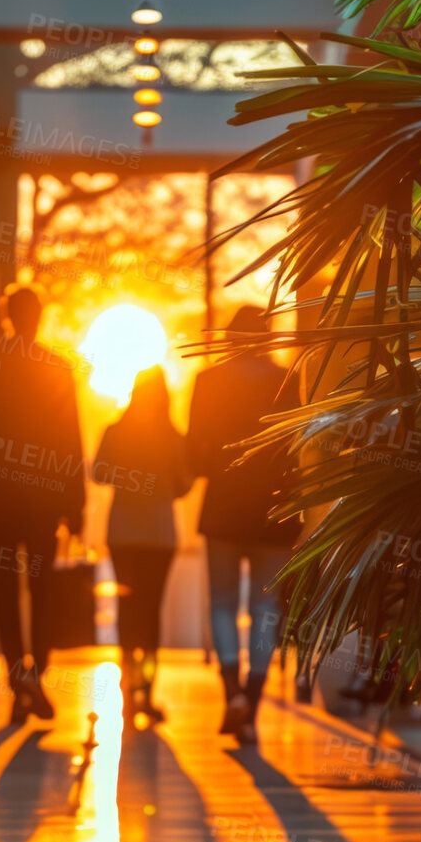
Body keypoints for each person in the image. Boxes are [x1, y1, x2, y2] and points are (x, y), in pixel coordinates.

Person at [0, 284, 85, 723]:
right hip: (43, 501)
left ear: (7, 316)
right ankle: (34, 675)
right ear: (39, 316)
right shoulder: (57, 369)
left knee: (6, 591)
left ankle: (18, 680)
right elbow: (71, 442)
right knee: (43, 591)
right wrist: (76, 505)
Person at [187, 303, 294, 744]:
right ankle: (253, 695)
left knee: (222, 600)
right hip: (273, 510)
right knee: (267, 607)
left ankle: (231, 689)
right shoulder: (283, 380)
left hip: (224, 508)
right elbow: (294, 444)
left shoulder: (208, 382)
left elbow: (194, 451)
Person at [96, 366, 191, 729]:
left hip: (122, 532)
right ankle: (146, 693)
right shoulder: (173, 437)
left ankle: (128, 684)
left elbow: (98, 473)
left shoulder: (116, 431)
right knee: (151, 612)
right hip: (159, 535)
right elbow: (183, 484)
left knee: (128, 610)